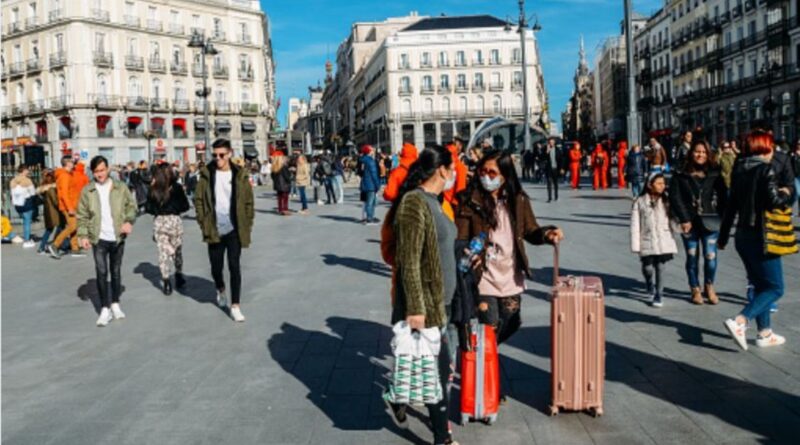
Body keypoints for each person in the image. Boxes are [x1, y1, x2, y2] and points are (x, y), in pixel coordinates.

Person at [386, 145, 458, 445]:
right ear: (441, 169)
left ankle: (398, 398)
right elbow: (409, 260)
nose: (455, 173)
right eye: (452, 167)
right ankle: (442, 438)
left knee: (430, 369)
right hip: (426, 304)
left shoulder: (436, 201)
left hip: (443, 300)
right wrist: (415, 308)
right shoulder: (414, 203)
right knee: (437, 375)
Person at [456, 149, 563, 348]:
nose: (485, 177)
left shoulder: (518, 199)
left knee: (512, 321)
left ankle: (483, 357)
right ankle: (482, 365)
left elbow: (530, 229)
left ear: (505, 175)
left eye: (492, 173)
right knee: (490, 323)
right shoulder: (469, 199)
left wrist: (547, 234)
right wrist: (468, 253)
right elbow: (461, 237)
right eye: (482, 171)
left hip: (510, 274)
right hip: (483, 274)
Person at [719, 130, 795, 350]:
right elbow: (773, 202)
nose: (773, 152)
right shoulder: (765, 170)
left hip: (742, 237)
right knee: (775, 288)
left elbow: (730, 207)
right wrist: (786, 192)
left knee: (760, 284)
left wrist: (723, 237)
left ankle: (765, 333)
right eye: (771, 147)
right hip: (762, 236)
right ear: (765, 148)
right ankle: (740, 321)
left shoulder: (739, 170)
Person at [194, 138, 255, 323]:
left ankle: (235, 305)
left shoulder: (239, 174)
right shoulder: (206, 174)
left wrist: (247, 222)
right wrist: (203, 222)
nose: (217, 158)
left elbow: (248, 202)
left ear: (229, 154)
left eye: (221, 155)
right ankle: (220, 289)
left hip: (234, 228)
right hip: (214, 228)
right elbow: (198, 200)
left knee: (234, 266)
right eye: (214, 155)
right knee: (216, 268)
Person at [76, 156, 137, 327]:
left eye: (102, 170)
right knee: (101, 272)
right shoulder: (88, 191)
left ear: (108, 169)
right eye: (96, 172)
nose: (100, 174)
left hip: (117, 236)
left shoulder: (120, 187)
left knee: (115, 271)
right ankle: (104, 308)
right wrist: (83, 235)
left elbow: (132, 207)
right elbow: (82, 215)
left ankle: (115, 303)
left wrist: (128, 221)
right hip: (98, 237)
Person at [669, 140, 728, 305]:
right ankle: (694, 288)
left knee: (710, 256)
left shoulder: (714, 171)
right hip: (689, 221)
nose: (700, 155)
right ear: (691, 153)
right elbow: (675, 196)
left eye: (703, 152)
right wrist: (684, 218)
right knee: (692, 256)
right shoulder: (680, 172)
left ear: (708, 154)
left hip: (710, 220)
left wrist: (722, 216)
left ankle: (709, 285)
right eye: (697, 151)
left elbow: (723, 195)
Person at [630, 173, 677, 308]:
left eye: (664, 183)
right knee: (648, 268)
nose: (663, 186)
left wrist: (681, 227)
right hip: (647, 239)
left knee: (661, 267)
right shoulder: (639, 201)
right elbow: (635, 225)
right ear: (650, 185)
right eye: (659, 183)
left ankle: (659, 294)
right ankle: (649, 282)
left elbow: (673, 219)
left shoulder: (667, 201)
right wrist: (636, 245)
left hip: (663, 239)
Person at [146, 163, 190, 295]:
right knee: (177, 250)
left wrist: (159, 209)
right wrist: (173, 208)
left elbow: (148, 207)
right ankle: (178, 274)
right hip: (174, 221)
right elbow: (185, 206)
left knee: (162, 252)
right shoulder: (176, 188)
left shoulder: (153, 188)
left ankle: (166, 281)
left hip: (160, 221)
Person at [49, 156, 81, 258]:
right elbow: (64, 194)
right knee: (73, 226)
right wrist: (70, 208)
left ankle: (74, 248)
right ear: (67, 163)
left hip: (72, 204)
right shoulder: (64, 176)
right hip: (68, 206)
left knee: (75, 226)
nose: (73, 163)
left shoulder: (67, 174)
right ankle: (55, 245)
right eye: (72, 162)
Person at [36, 169, 63, 254]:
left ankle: (48, 246)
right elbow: (55, 201)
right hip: (54, 213)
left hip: (49, 212)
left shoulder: (44, 188)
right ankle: (48, 246)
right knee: (56, 229)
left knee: (51, 229)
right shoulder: (51, 189)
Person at [10, 165, 37, 248]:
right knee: (27, 222)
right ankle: (27, 240)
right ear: (24, 171)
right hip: (26, 203)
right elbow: (33, 193)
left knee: (25, 221)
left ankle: (26, 238)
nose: (28, 171)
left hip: (17, 205)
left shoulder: (13, 181)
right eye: (27, 170)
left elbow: (12, 193)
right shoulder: (27, 180)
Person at [359, 145, 380, 225]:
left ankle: (370, 217)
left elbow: (361, 172)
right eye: (372, 150)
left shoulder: (363, 160)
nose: (373, 151)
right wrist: (377, 184)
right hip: (371, 183)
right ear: (368, 151)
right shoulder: (370, 161)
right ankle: (369, 218)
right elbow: (374, 173)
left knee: (369, 202)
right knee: (371, 202)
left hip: (365, 182)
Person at [543, 137, 563, 202]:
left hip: (555, 169)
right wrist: (547, 151)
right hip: (549, 169)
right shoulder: (546, 149)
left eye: (552, 142)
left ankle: (556, 196)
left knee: (555, 183)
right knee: (549, 183)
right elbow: (542, 157)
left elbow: (560, 160)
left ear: (554, 143)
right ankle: (549, 198)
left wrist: (561, 168)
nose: (551, 143)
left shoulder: (557, 150)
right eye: (550, 142)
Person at [791, 141, 800, 212]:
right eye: (798, 144)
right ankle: (789, 208)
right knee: (797, 193)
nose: (799, 145)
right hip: (795, 176)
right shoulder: (792, 154)